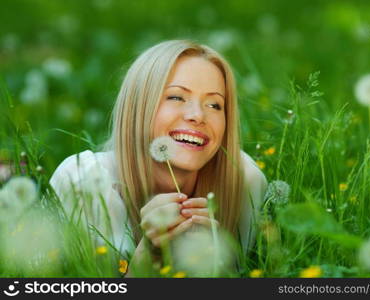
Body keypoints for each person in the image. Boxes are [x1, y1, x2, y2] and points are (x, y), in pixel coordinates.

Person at [49, 40, 267, 277]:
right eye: (176, 97)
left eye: (215, 104)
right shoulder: (86, 180)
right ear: (138, 106)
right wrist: (149, 254)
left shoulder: (243, 181)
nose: (197, 115)